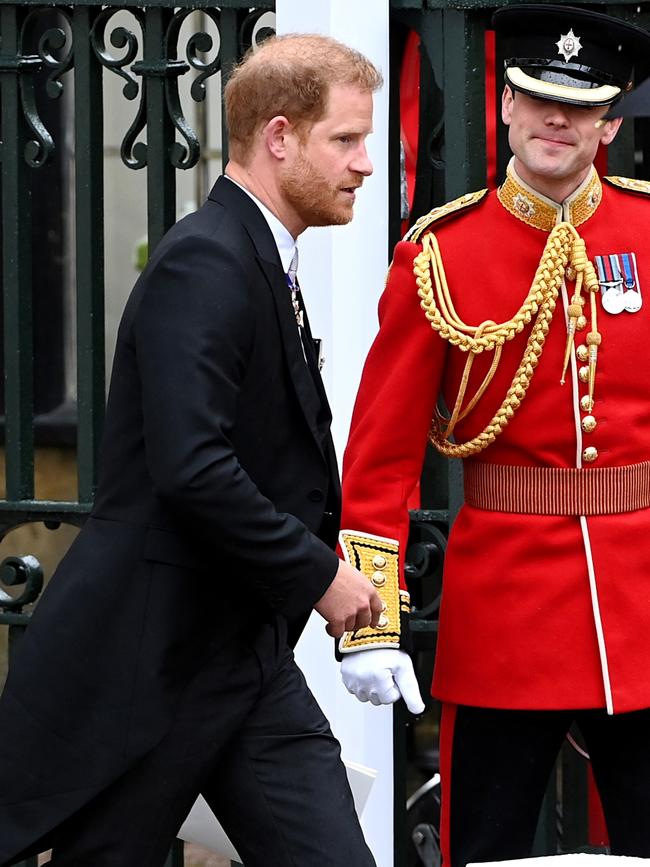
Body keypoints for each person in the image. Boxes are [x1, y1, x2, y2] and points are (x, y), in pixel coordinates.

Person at [0, 33, 384, 867]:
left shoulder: (258, 257)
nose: (364, 163)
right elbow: (192, 465)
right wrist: (317, 571)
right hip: (156, 665)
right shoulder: (206, 262)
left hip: (241, 658)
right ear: (279, 137)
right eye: (345, 140)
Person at [336, 5, 650, 866]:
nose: (559, 118)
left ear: (611, 120)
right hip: (506, 618)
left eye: (581, 106)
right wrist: (370, 621)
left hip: (645, 615)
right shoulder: (440, 254)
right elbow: (381, 459)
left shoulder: (649, 235)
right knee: (487, 849)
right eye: (539, 96)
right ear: (505, 105)